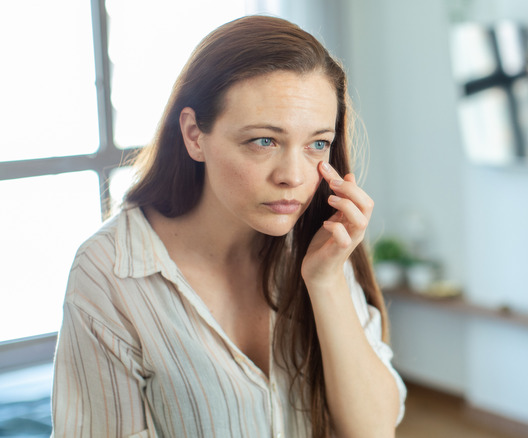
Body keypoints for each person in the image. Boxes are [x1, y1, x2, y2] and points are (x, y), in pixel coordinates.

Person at [51, 15, 405, 438]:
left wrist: (326, 281)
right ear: (194, 135)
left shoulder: (320, 243)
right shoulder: (111, 272)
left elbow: (374, 430)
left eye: (316, 144)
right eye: (264, 141)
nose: (294, 175)